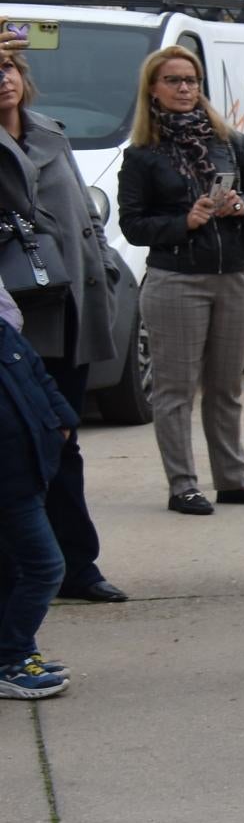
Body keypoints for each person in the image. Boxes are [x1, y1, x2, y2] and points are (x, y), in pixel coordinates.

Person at [117, 47, 244, 518]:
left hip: (236, 273)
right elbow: (133, 225)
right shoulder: (143, 155)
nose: (184, 88)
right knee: (175, 389)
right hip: (177, 280)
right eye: (173, 80)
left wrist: (241, 206)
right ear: (153, 88)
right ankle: (183, 485)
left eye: (191, 79)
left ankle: (231, 480)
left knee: (226, 385)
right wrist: (183, 221)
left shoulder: (227, 140)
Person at [0, 41, 122, 603]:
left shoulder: (50, 129)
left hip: (69, 304)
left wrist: (101, 264)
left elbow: (84, 212)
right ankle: (29, 568)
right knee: (26, 447)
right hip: (20, 315)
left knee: (65, 438)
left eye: (7, 68)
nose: (4, 80)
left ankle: (78, 566)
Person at [0, 281, 75, 698]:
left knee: (14, 568)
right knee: (45, 567)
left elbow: (39, 378)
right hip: (9, 482)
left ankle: (16, 654)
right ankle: (12, 656)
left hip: (28, 471)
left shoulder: (5, 334)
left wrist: (61, 423)